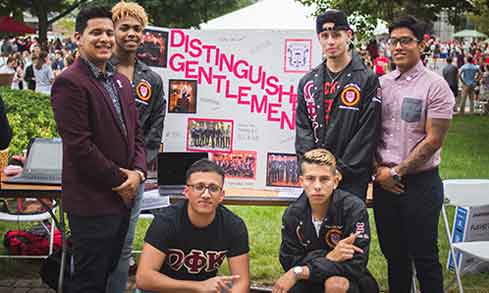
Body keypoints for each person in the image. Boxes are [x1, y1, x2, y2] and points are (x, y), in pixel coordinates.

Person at [50, 5, 147, 293]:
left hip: (122, 200)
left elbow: (136, 135)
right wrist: (121, 180)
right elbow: (80, 146)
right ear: (79, 38)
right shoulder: (69, 82)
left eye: (108, 32)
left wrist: (139, 173)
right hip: (92, 203)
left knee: (109, 274)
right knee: (89, 282)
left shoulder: (120, 81)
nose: (104, 38)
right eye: (96, 33)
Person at [373, 15, 454, 293]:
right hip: (383, 183)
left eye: (405, 40)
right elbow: (369, 134)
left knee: (425, 258)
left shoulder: (436, 86)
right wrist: (379, 172)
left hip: (420, 184)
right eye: (393, 41)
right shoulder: (381, 85)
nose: (397, 46)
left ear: (421, 44)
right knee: (395, 258)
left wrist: (397, 172)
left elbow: (434, 140)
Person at [106, 2, 166, 292]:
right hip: (98, 175)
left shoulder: (152, 80)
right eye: (124, 27)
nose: (131, 33)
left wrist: (137, 173)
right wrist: (110, 171)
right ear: (113, 30)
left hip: (135, 177)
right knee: (92, 245)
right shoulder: (97, 72)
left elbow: (155, 132)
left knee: (124, 246)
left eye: (137, 29)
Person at [295, 9, 381, 200]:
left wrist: (338, 171)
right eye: (325, 36)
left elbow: (367, 133)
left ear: (348, 35)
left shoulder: (367, 79)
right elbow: (303, 129)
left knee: (349, 229)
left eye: (336, 35)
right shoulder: (308, 81)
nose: (330, 41)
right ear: (319, 39)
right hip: (316, 178)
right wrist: (314, 169)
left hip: (351, 178)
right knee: (313, 228)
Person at [136, 159, 250, 292]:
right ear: (186, 192)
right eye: (199, 187)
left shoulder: (234, 226)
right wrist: (198, 286)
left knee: (227, 288)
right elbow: (143, 278)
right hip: (163, 288)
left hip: (206, 290)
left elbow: (242, 281)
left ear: (221, 195)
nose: (206, 195)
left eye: (213, 188)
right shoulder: (166, 221)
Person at [274, 148, 377, 293]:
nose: (317, 186)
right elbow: (289, 260)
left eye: (324, 179)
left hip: (350, 280)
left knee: (335, 284)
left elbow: (356, 264)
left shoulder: (354, 209)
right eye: (310, 179)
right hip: (308, 279)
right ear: (301, 181)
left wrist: (303, 268)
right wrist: (330, 256)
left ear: (335, 181)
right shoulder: (293, 214)